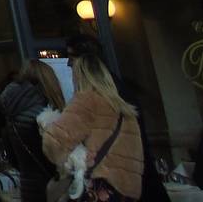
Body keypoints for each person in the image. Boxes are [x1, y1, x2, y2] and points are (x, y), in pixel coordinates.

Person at [42, 53, 145, 202]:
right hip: (126, 191)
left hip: (99, 187)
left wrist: (75, 158)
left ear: (79, 75)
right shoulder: (123, 106)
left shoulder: (87, 100)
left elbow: (53, 143)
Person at [0, 61, 68, 202]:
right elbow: (61, 159)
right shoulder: (45, 117)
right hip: (54, 188)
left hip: (29, 189)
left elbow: (12, 158)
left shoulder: (12, 116)